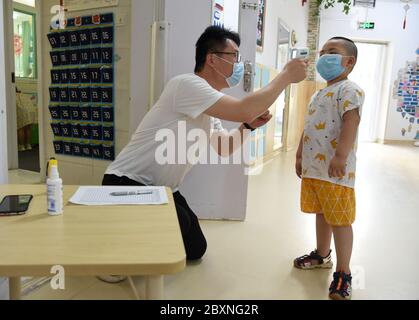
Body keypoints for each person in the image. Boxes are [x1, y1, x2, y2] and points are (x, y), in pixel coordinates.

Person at [100, 26, 307, 283]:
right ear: (212, 58)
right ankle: (111, 240)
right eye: (234, 56)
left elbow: (224, 147)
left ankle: (132, 231)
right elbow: (244, 108)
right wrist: (285, 76)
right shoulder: (186, 84)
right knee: (168, 236)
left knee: (195, 249)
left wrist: (248, 127)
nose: (238, 64)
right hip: (125, 183)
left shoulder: (208, 103)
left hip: (163, 190)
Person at [293, 37, 365, 300]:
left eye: (332, 52)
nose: (324, 56)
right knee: (321, 213)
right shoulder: (318, 92)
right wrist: (300, 154)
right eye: (322, 52)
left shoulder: (350, 90)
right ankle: (322, 255)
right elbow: (309, 125)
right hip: (314, 169)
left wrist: (341, 156)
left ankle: (344, 273)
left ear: (349, 62)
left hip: (335, 172)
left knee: (340, 220)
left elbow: (351, 122)